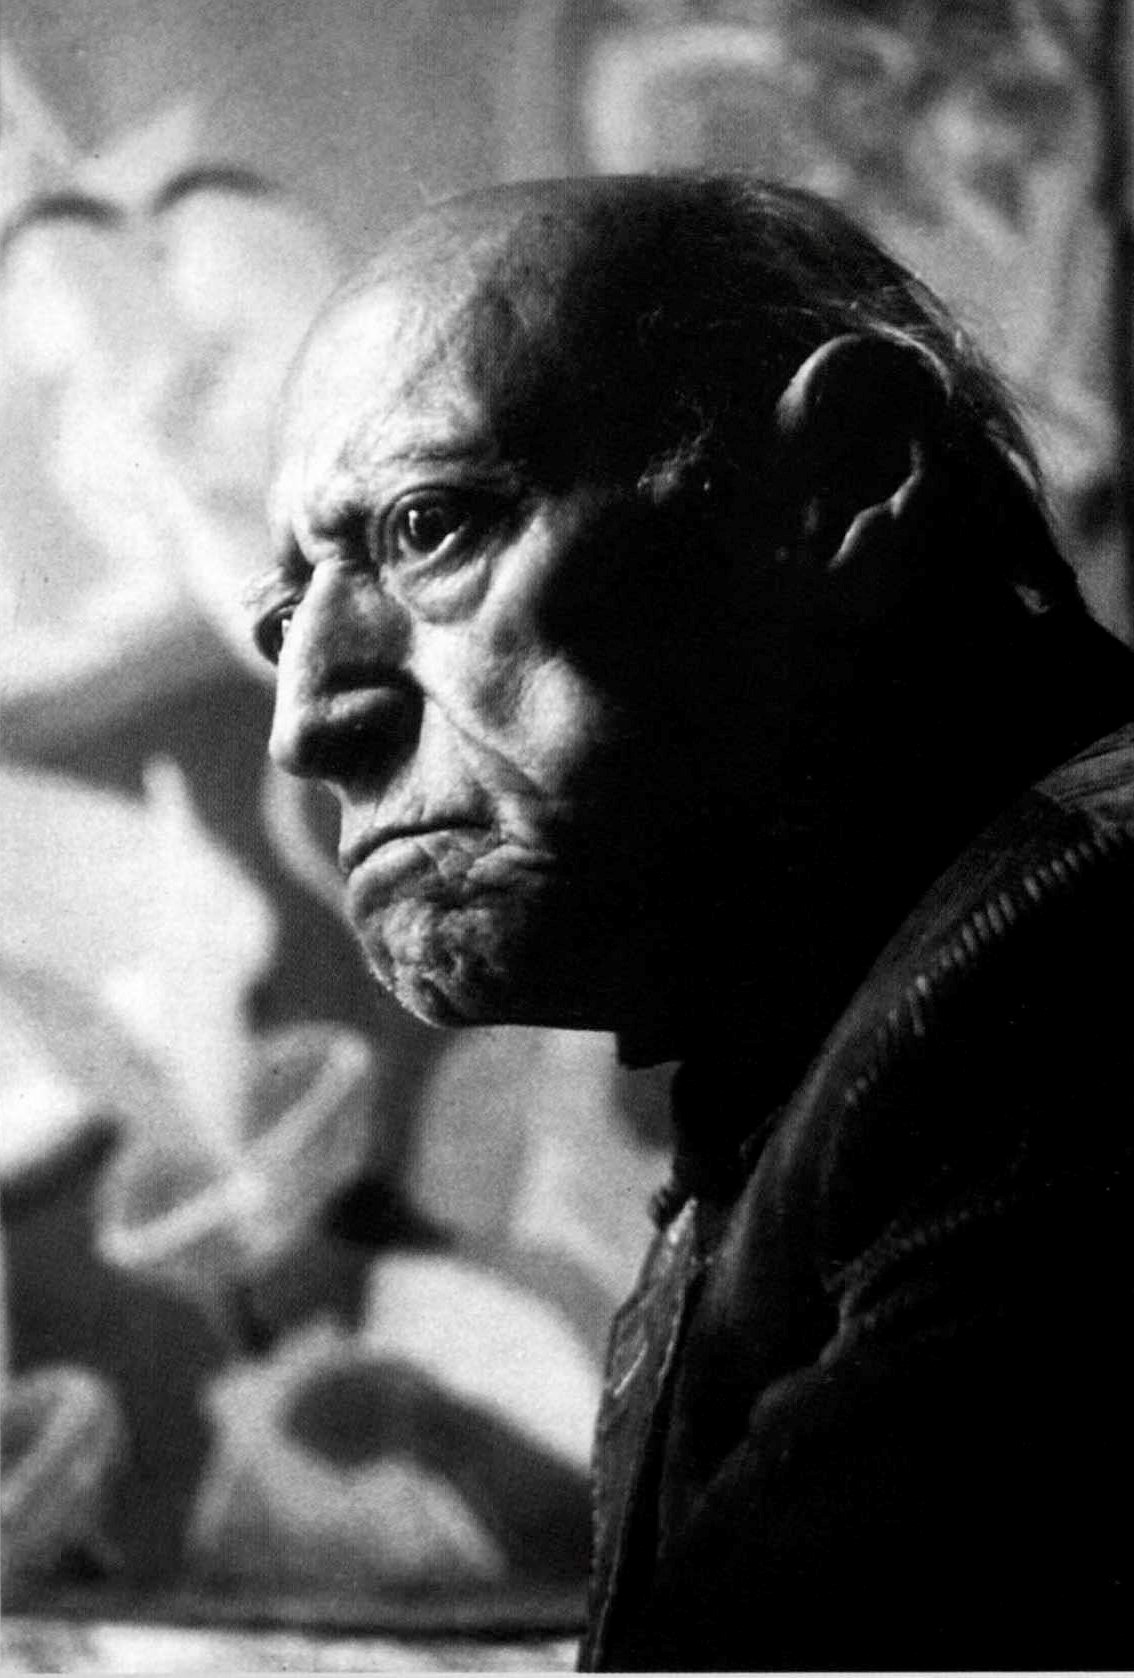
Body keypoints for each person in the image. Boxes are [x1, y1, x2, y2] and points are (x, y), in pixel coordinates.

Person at [251, 174, 1134, 1670]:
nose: (307, 718)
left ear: (847, 474)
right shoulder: (852, 1013)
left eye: (427, 527)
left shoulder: (1071, 975)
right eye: (287, 619)